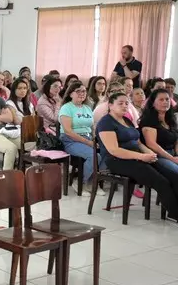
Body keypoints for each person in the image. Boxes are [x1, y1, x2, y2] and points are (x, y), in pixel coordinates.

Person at [98, 92, 178, 220]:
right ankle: (175, 214)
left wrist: (149, 153)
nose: (125, 106)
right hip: (117, 161)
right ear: (110, 105)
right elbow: (114, 150)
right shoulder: (106, 122)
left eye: (127, 103)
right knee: (161, 181)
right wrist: (141, 157)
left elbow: (139, 142)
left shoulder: (127, 120)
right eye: (120, 103)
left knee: (173, 175)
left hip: (137, 157)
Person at [58, 81, 99, 193]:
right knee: (93, 155)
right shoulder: (66, 108)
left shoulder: (87, 108)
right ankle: (81, 182)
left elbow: (92, 127)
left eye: (84, 91)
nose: (82, 93)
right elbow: (68, 131)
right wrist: (88, 142)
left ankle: (92, 183)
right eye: (78, 91)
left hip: (87, 138)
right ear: (71, 94)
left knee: (105, 154)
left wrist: (94, 139)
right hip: (70, 140)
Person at [140, 89, 178, 177]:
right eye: (161, 100)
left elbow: (176, 139)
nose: (165, 102)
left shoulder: (171, 119)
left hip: (172, 154)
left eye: (167, 99)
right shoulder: (148, 120)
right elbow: (151, 144)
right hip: (157, 156)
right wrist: (172, 158)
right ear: (153, 103)